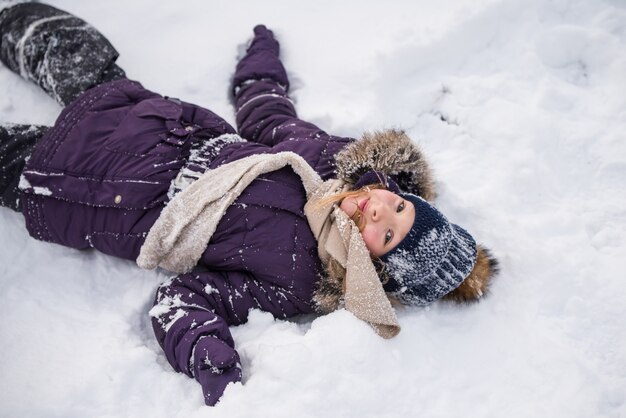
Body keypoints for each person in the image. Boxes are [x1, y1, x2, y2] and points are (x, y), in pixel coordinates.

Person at [0, 3, 499, 406]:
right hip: (159, 128)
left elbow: (189, 298)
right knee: (79, 60)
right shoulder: (335, 162)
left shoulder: (301, 282)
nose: (378, 211)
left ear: (377, 268)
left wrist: (212, 361)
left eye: (387, 235)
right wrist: (260, 60)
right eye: (400, 208)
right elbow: (271, 117)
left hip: (100, 193)